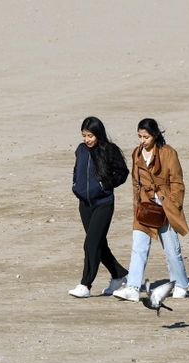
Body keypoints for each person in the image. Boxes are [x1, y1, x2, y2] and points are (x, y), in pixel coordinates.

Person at [113, 118, 189, 302]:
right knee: (138, 247)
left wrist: (174, 204)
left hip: (165, 207)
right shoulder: (136, 153)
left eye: (145, 137)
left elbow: (177, 182)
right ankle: (132, 287)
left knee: (172, 250)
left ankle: (181, 284)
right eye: (139, 136)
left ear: (155, 135)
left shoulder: (168, 153)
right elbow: (135, 182)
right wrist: (137, 205)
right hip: (145, 207)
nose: (142, 141)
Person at [68, 116, 130, 298]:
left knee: (90, 244)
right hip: (84, 204)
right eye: (84, 135)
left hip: (103, 203)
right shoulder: (80, 150)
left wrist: (105, 185)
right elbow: (76, 170)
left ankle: (85, 285)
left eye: (90, 135)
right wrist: (75, 185)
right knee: (98, 244)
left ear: (98, 134)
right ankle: (119, 275)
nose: (87, 139)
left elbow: (122, 173)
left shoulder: (109, 150)